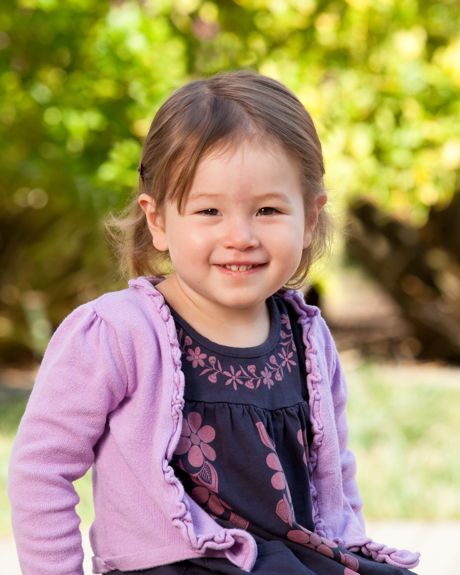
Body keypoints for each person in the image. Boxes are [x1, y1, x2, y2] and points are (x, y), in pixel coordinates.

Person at [8, 71, 420, 575]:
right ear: (157, 221)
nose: (239, 236)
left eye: (267, 209)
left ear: (310, 218)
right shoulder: (117, 333)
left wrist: (347, 552)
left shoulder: (306, 337)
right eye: (208, 211)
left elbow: (333, 473)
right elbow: (41, 469)